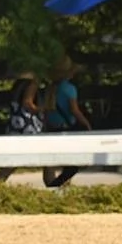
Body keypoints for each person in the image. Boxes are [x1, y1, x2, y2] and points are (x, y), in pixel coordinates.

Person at [42, 58, 92, 188]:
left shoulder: (49, 88)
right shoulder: (69, 89)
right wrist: (86, 124)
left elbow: (46, 111)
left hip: (51, 127)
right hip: (66, 128)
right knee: (74, 164)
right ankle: (58, 184)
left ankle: (51, 184)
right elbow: (74, 110)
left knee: (50, 159)